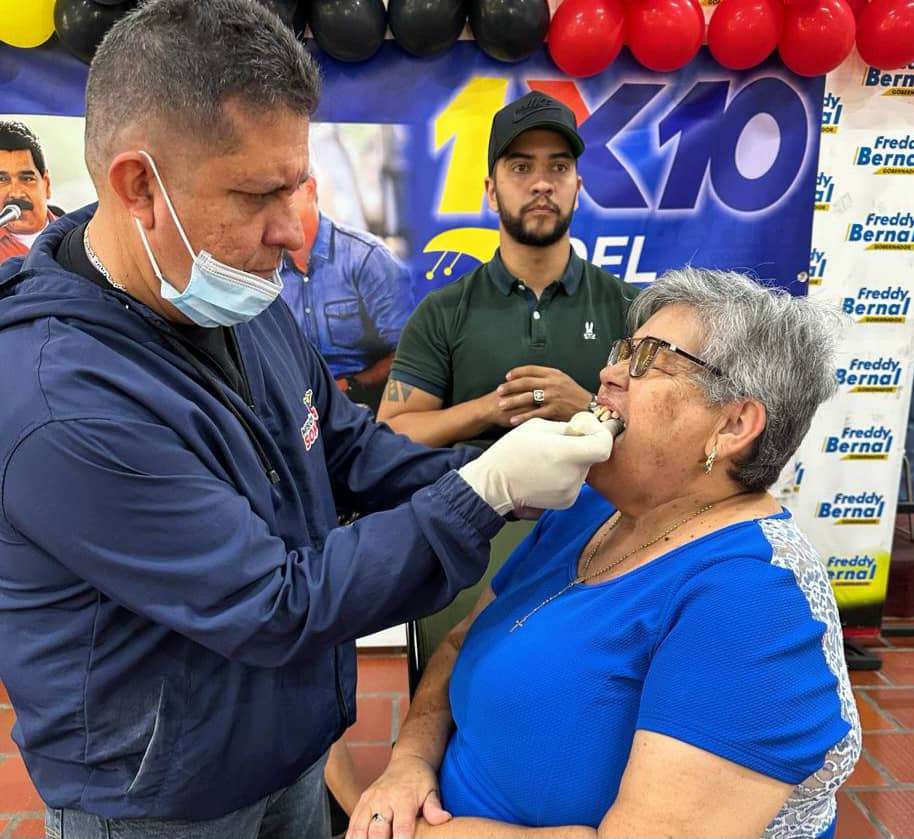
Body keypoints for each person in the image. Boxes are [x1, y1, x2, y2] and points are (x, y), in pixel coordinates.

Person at [0, 2, 616, 837]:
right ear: (139, 187)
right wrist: (483, 491)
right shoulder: (60, 404)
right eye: (259, 193)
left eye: (298, 183)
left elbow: (346, 446)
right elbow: (274, 603)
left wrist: (490, 474)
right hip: (162, 798)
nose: (294, 235)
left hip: (284, 738)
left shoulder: (229, 287)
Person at [350, 268, 862, 839]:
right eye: (623, 351)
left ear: (732, 424)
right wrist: (408, 764)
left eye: (647, 360)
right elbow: (460, 640)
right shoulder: (591, 509)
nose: (606, 373)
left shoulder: (753, 602)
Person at [378, 91, 639, 449]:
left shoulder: (630, 308)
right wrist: (490, 408)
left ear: (577, 190)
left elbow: (666, 439)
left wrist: (586, 409)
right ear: (491, 192)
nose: (542, 184)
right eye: (521, 167)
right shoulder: (442, 312)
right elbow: (390, 435)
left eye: (559, 168)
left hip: (600, 505)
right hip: (471, 504)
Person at [281, 175, 413, 414]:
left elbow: (412, 352)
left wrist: (350, 386)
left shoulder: (367, 258)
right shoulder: (266, 270)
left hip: (365, 409)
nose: (274, 205)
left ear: (310, 189)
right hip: (299, 413)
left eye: (284, 192)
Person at [0, 120, 60, 263]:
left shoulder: (81, 237)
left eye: (27, 179)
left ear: (46, 185)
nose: (16, 193)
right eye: (2, 179)